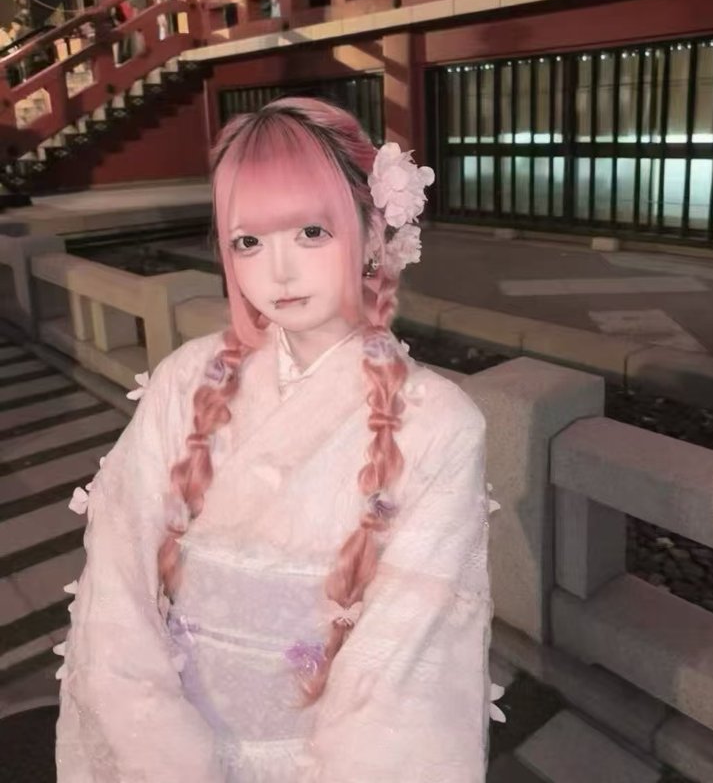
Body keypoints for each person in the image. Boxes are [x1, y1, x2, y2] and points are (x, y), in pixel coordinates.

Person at [55, 97, 493, 783]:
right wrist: (158, 751)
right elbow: (117, 575)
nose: (278, 271)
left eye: (311, 232)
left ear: (374, 232)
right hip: (168, 746)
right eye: (248, 243)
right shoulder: (185, 380)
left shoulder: (439, 424)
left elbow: (404, 664)